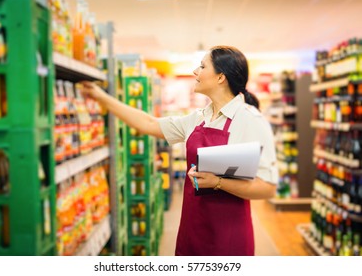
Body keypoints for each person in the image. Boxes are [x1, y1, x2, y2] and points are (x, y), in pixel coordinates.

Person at [80, 45, 278, 256]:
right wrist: (102, 98)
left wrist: (218, 182)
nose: (195, 71)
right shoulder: (198, 118)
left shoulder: (250, 119)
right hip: (193, 226)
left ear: (221, 77)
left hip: (228, 235)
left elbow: (267, 188)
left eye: (202, 66)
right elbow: (148, 123)